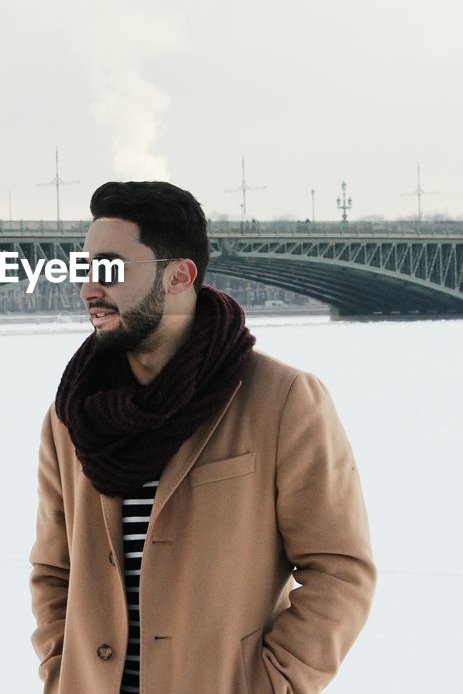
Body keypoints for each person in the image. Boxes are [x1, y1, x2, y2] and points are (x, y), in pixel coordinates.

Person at [29, 181, 375, 693]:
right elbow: (53, 572)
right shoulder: (71, 416)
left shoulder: (281, 400)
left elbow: (340, 571)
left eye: (109, 269)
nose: (88, 288)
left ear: (179, 276)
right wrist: (62, 674)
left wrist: (273, 685)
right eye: (85, 270)